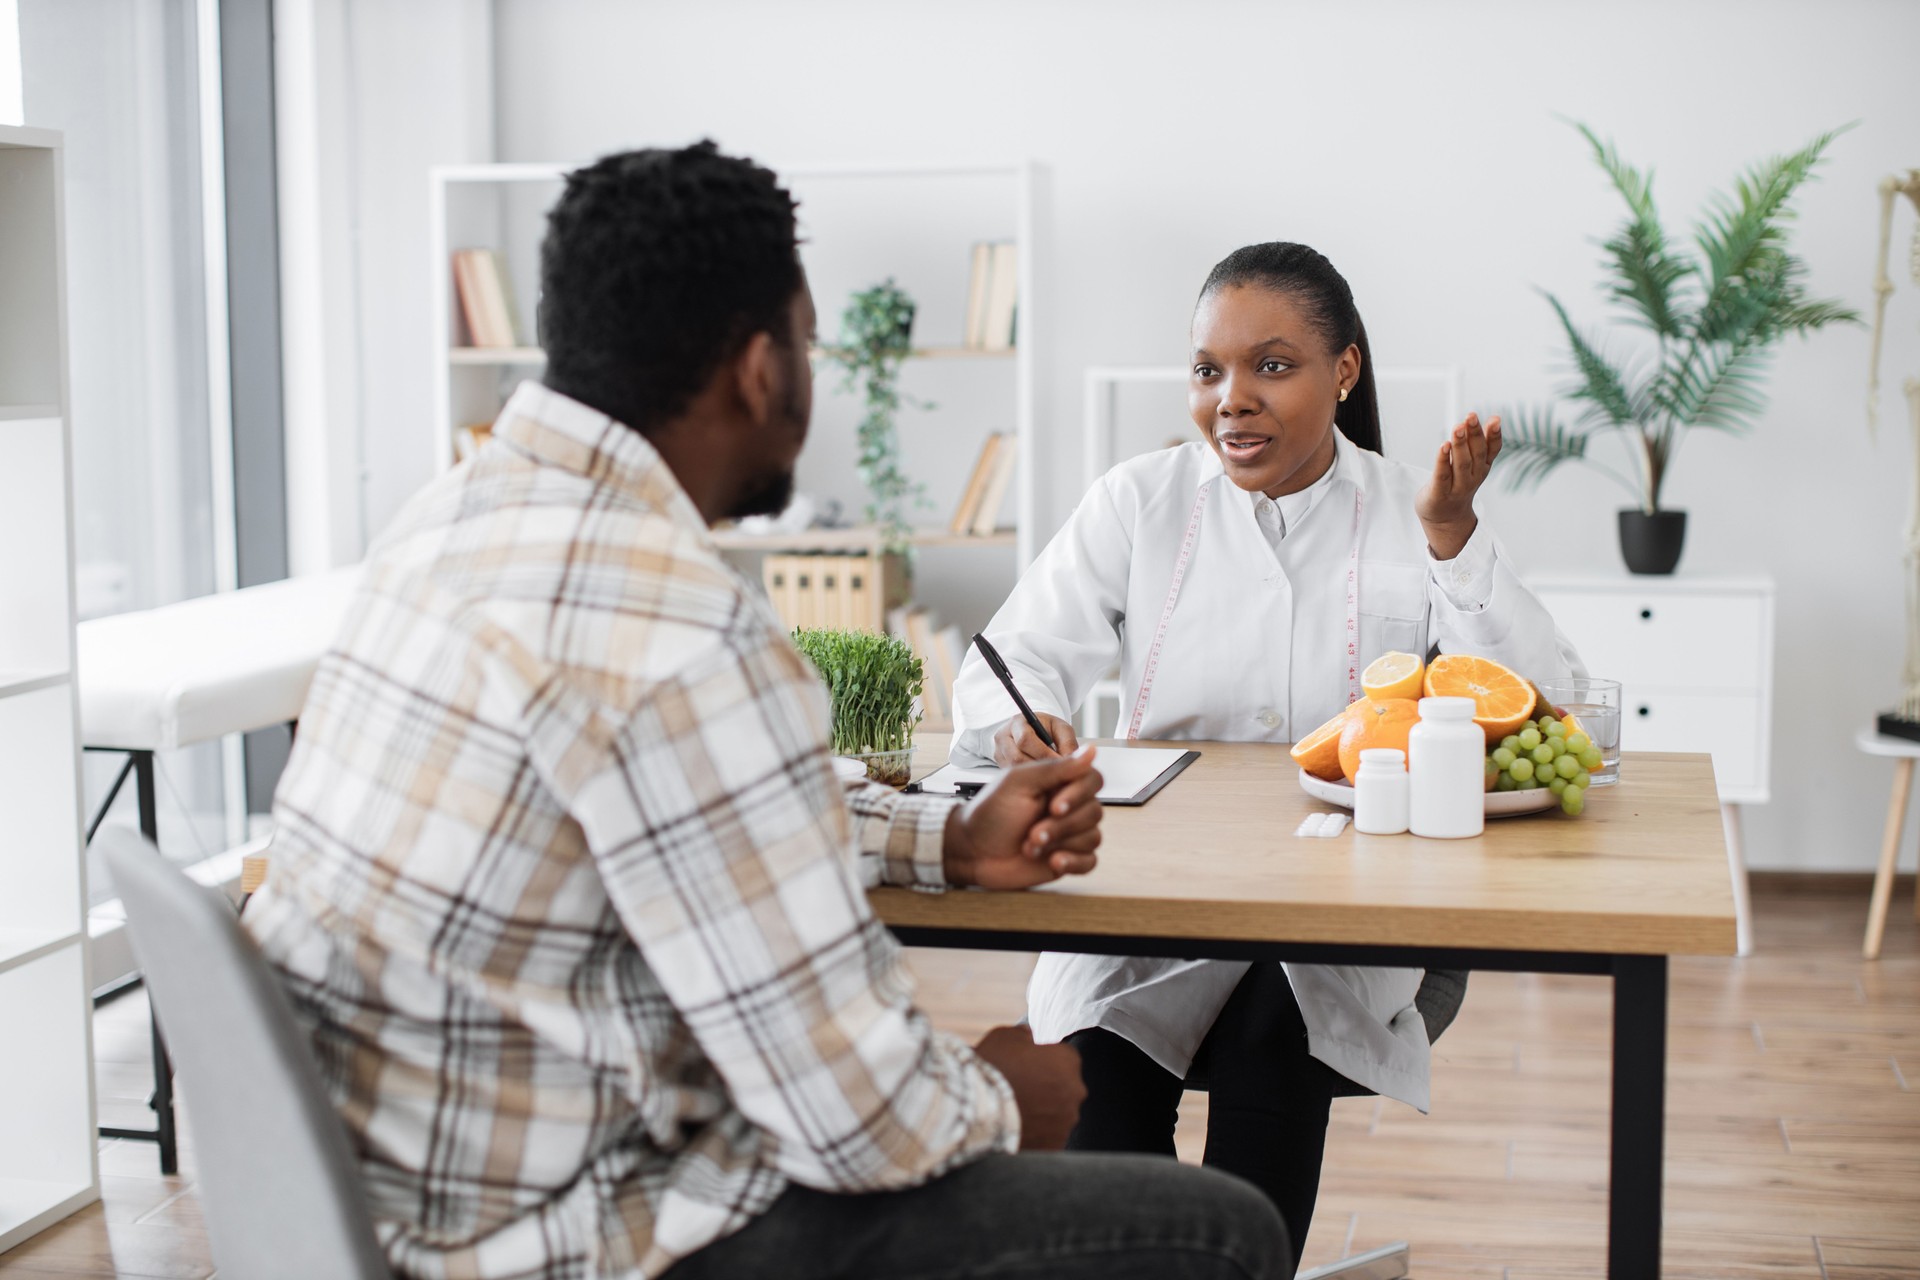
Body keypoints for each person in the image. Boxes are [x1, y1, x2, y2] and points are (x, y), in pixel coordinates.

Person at [242, 143, 1289, 1280]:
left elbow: (688, 818)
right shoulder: (681, 630)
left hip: (385, 1203)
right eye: (806, 340)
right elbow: (861, 1125)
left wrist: (943, 833)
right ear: (758, 367)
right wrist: (1011, 1093)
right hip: (562, 1236)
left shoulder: (445, 521)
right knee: (1214, 1228)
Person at [950, 241, 1584, 1264]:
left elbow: (1544, 696)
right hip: (1153, 888)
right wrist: (1019, 724)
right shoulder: (1140, 500)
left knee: (1271, 1043)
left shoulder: (1411, 510)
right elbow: (1012, 658)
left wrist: (1455, 537)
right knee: (1105, 1077)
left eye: (1272, 366)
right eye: (1209, 370)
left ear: (1344, 371)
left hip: (1341, 901)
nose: (1231, 399)